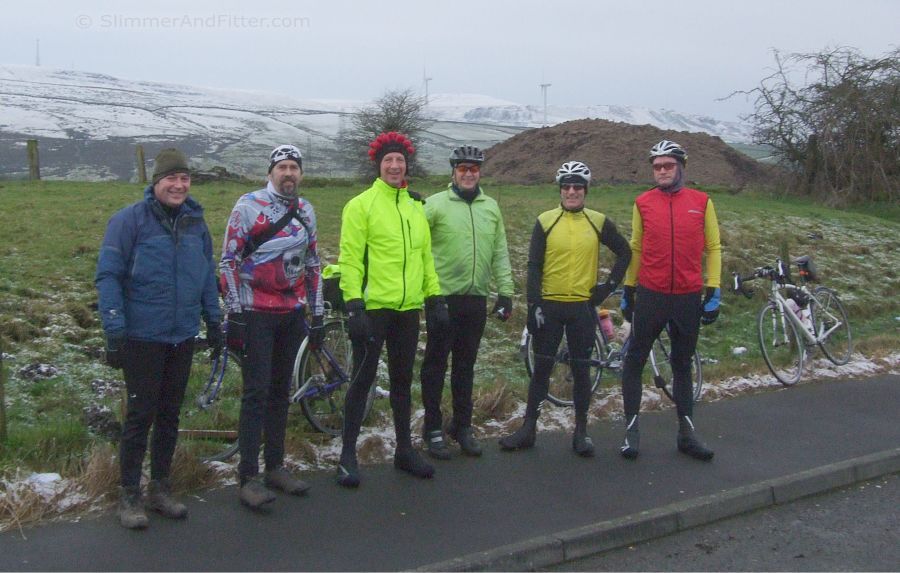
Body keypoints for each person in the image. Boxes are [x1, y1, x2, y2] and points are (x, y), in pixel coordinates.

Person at [96, 148, 223, 529]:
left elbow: (205, 276)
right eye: (172, 178)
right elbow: (108, 276)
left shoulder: (196, 224)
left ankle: (160, 488)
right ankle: (129, 494)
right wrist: (115, 330)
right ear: (156, 182)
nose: (179, 185)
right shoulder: (128, 222)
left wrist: (213, 321)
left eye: (185, 178)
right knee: (140, 416)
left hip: (181, 335)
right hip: (142, 337)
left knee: (169, 415)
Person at [336, 131, 449, 487]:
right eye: (389, 161)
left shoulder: (416, 208)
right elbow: (350, 260)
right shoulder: (361, 205)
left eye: (400, 161)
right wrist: (354, 305)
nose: (395, 166)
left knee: (402, 382)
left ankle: (404, 451)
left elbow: (425, 258)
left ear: (406, 165)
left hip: (407, 309)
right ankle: (347, 456)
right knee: (362, 381)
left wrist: (435, 298)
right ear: (378, 166)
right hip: (373, 309)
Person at [500, 161, 631, 456]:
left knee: (582, 371)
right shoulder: (546, 221)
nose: (572, 192)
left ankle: (581, 432)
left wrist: (608, 287)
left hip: (582, 307)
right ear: (560, 190)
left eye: (578, 187)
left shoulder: (597, 221)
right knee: (542, 368)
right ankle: (528, 429)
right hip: (550, 306)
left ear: (585, 190)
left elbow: (625, 251)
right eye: (566, 187)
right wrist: (533, 304)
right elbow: (533, 266)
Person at [219, 144, 324, 508]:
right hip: (255, 311)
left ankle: (276, 466)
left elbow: (313, 264)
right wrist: (234, 312)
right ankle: (248, 475)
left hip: (292, 312)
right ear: (270, 173)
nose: (289, 174)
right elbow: (228, 261)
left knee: (282, 392)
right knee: (256, 392)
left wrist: (318, 313)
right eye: (282, 167)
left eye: (295, 167)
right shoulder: (247, 206)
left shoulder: (306, 210)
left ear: (301, 173)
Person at [618, 140, 722, 461]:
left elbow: (714, 247)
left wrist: (713, 288)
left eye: (668, 165)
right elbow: (636, 246)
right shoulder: (643, 202)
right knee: (634, 360)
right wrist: (629, 287)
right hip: (652, 293)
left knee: (682, 364)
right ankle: (632, 432)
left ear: (681, 167)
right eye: (657, 166)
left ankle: (686, 434)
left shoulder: (702, 202)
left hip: (687, 296)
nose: (662, 171)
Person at [419, 145, 515, 460]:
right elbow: (415, 246)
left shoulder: (491, 207)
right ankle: (432, 428)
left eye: (473, 168)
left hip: (475, 299)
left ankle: (462, 426)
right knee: (435, 366)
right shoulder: (434, 205)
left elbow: (500, 250)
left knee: (465, 367)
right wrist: (427, 294)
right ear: (453, 172)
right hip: (442, 298)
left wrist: (505, 292)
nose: (468, 173)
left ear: (480, 172)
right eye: (463, 168)